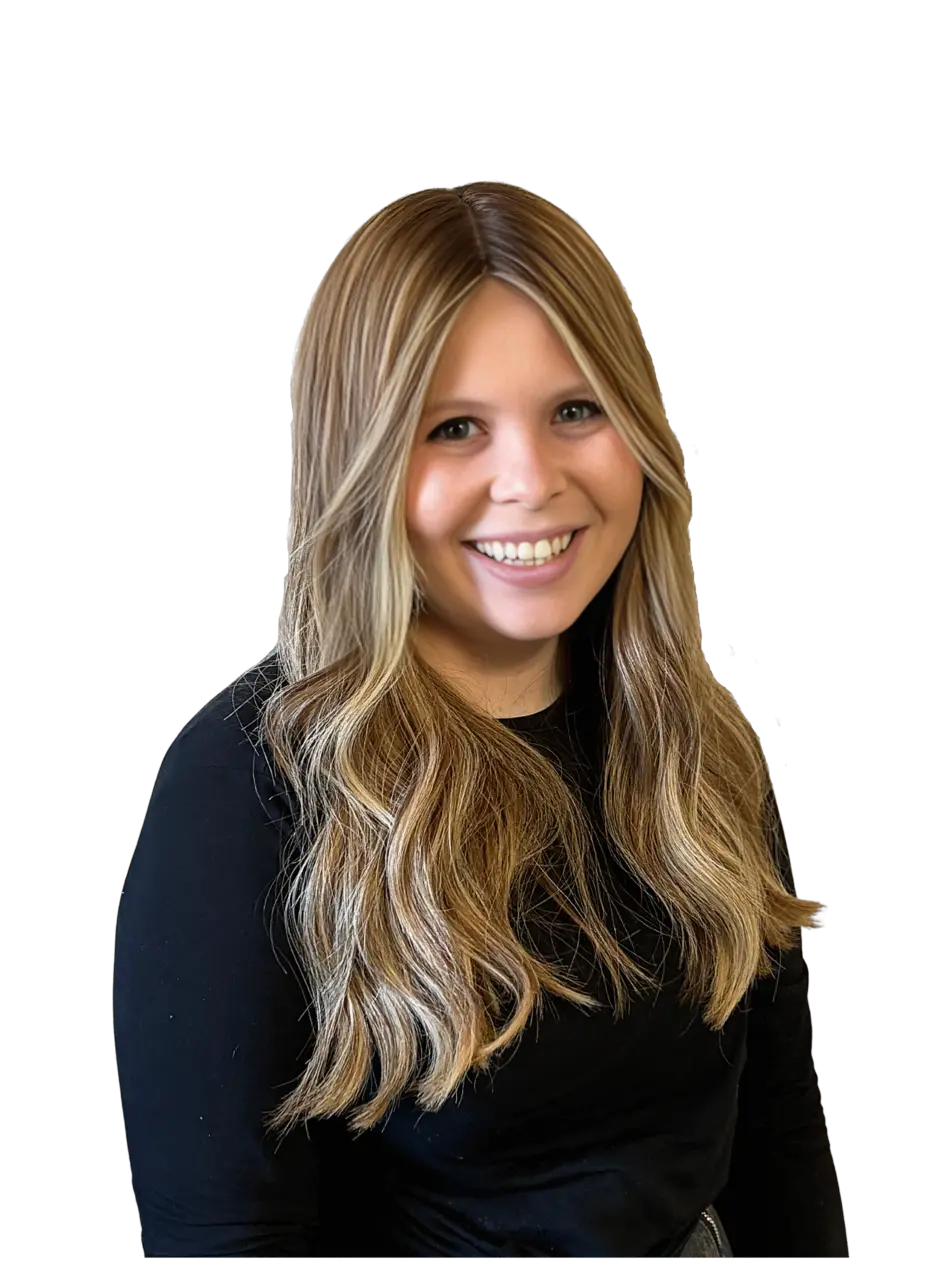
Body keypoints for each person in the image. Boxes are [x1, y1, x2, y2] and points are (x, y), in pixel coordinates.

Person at [112, 180, 850, 1259]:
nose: (531, 481)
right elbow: (228, 1243)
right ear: (361, 467)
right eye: (453, 428)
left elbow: (780, 1146)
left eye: (575, 410)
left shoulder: (696, 739)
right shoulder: (249, 790)